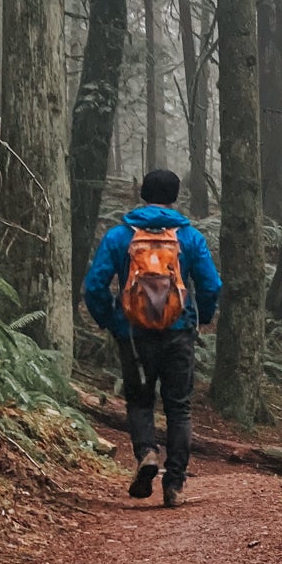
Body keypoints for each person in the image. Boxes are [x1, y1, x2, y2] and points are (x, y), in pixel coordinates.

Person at [82, 170, 222, 506]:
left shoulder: (120, 236)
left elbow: (94, 285)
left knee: (141, 401)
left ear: (142, 193)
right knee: (179, 408)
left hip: (133, 335)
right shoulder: (189, 238)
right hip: (178, 333)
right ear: (175, 196)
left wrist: (111, 320)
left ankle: (146, 453)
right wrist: (199, 317)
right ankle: (174, 483)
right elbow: (212, 284)